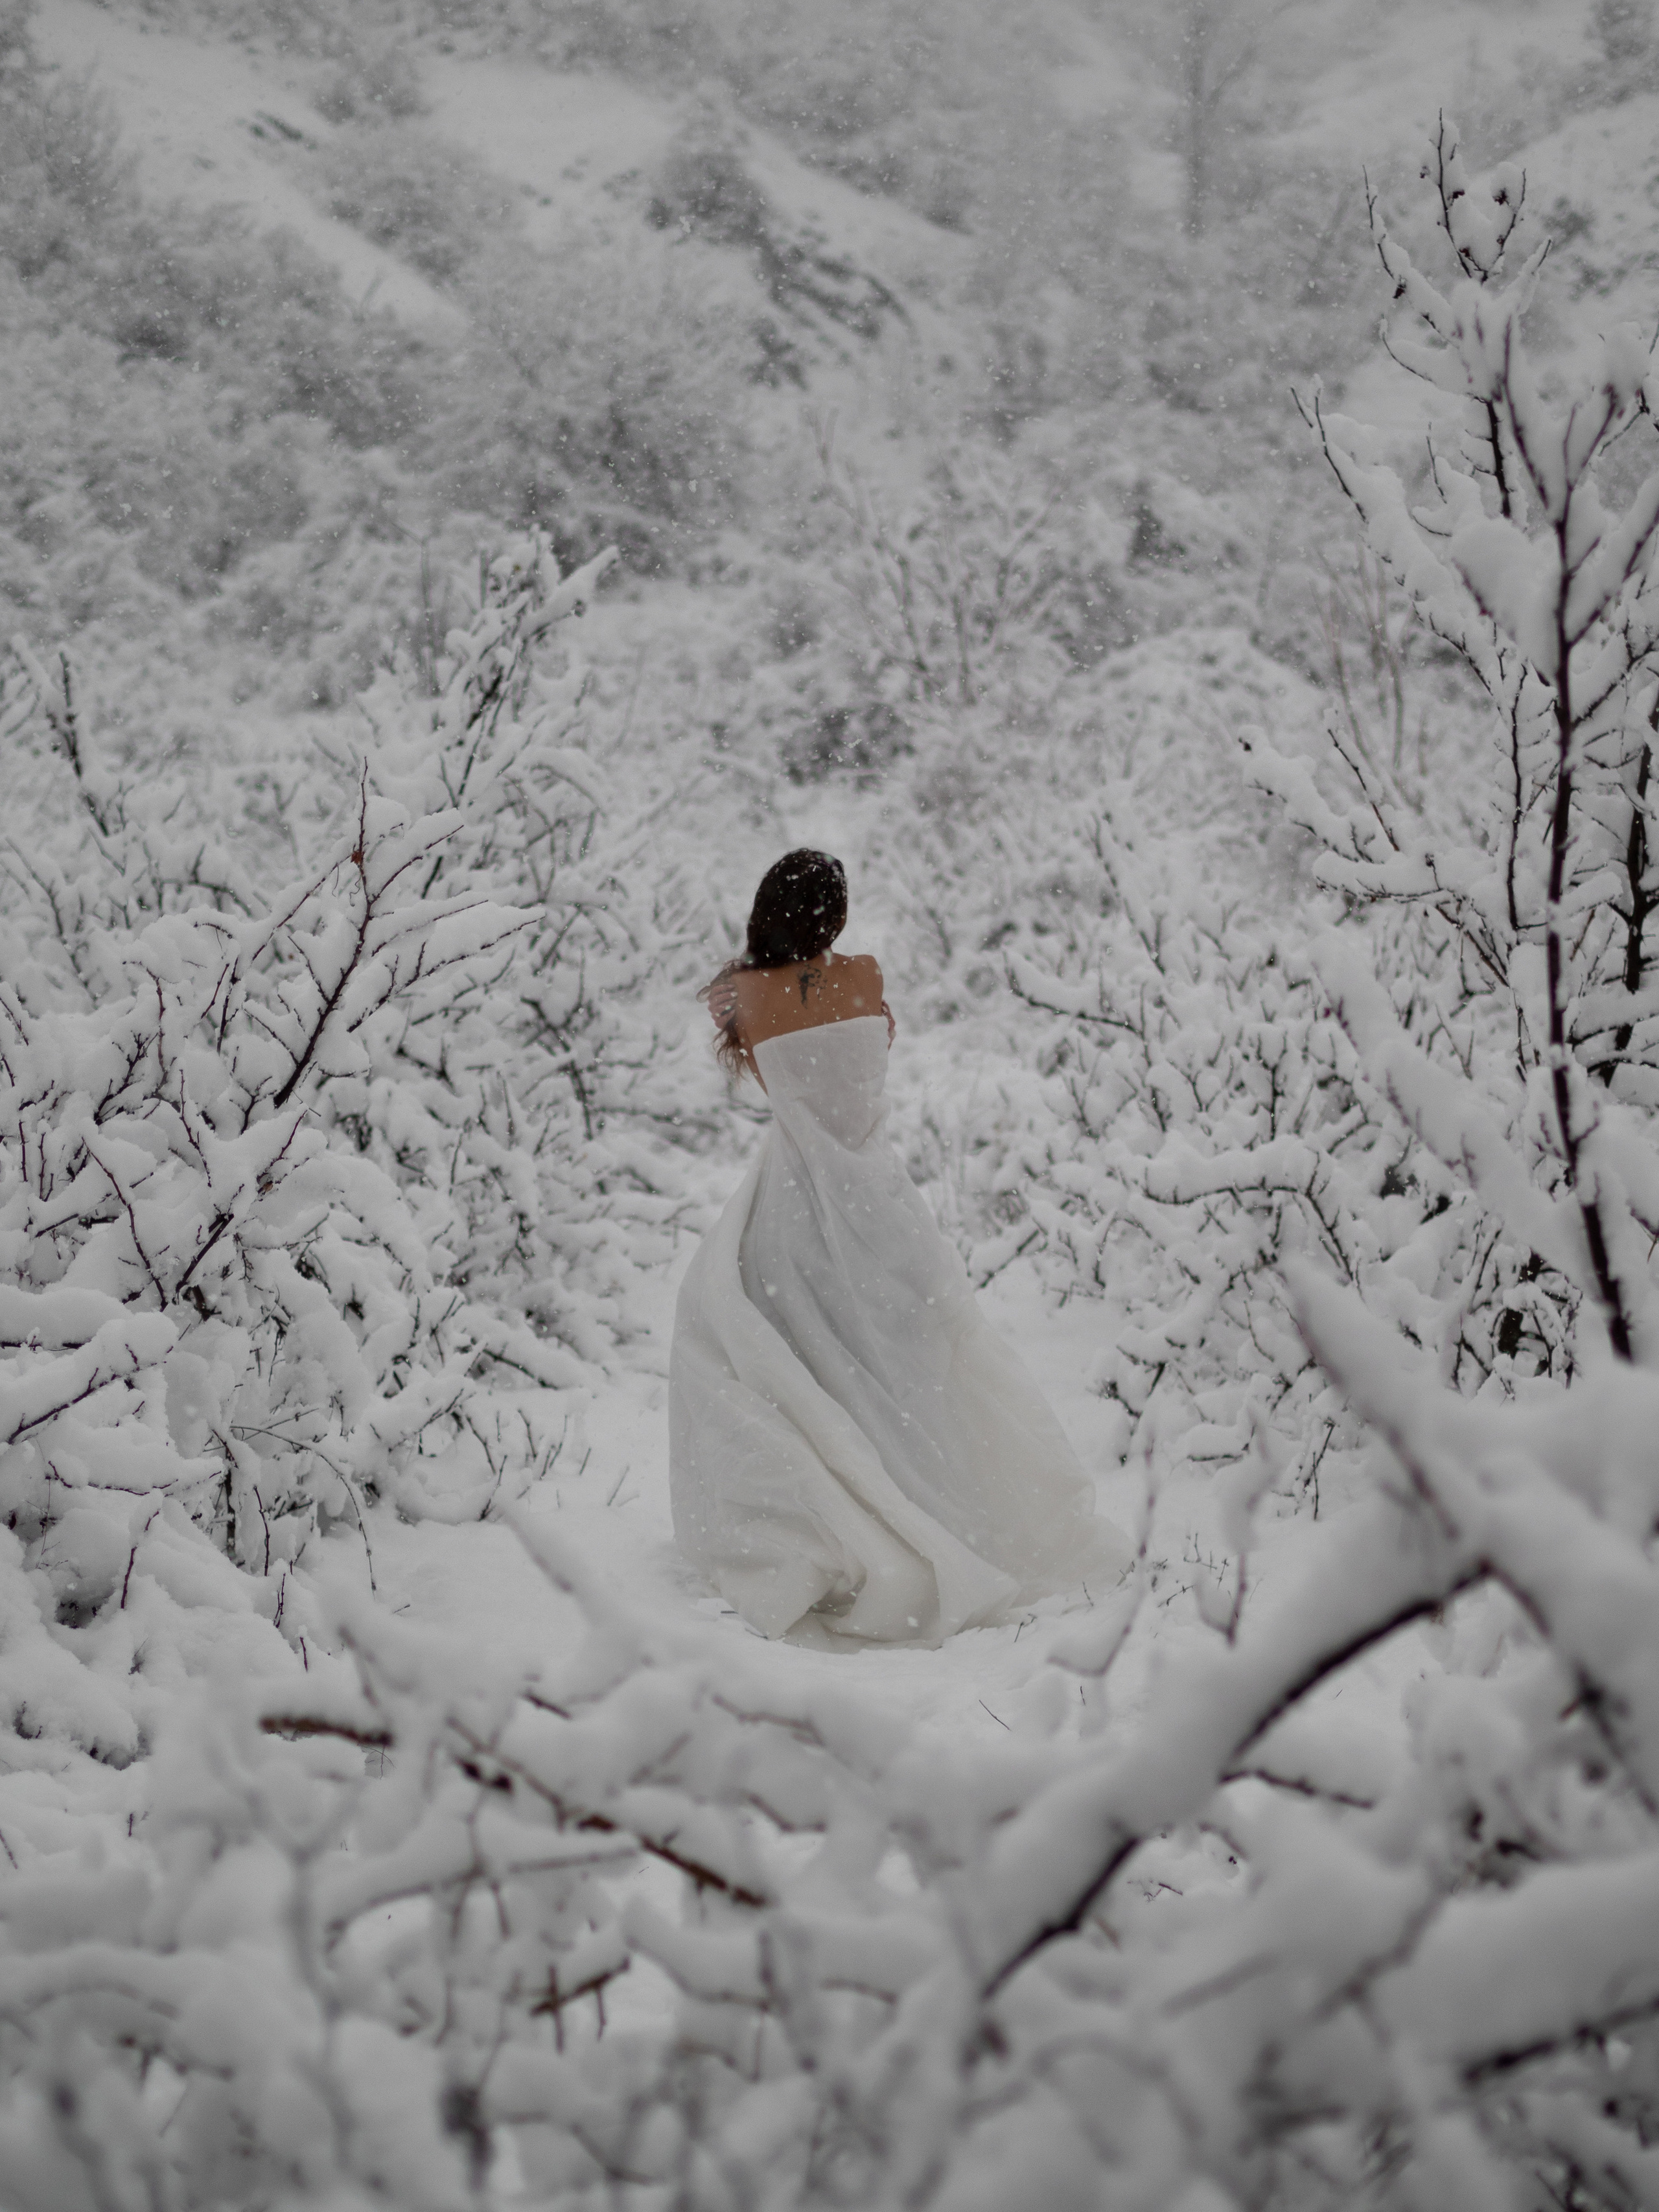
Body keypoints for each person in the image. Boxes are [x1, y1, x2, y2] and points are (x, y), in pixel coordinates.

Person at [669, 848, 1130, 1644]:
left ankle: (843, 1521)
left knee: (788, 1360)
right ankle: (949, 1510)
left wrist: (755, 976)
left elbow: (748, 1043)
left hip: (791, 1210)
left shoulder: (741, 996)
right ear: (837, 917)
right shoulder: (865, 977)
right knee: (914, 1374)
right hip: (878, 1203)